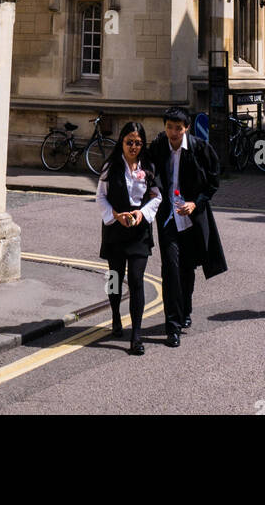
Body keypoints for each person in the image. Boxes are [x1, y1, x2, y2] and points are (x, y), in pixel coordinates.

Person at [148, 105, 227, 347]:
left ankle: (186, 309)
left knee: (188, 267)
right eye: (169, 127)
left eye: (178, 129)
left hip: (191, 216)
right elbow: (147, 170)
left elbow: (213, 182)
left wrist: (195, 203)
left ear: (187, 128)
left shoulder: (200, 149)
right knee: (170, 268)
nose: (173, 133)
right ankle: (172, 326)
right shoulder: (158, 147)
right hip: (167, 217)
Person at [96, 121, 161, 355]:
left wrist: (140, 213)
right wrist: (115, 215)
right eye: (129, 142)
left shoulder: (149, 167)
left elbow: (157, 196)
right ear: (122, 142)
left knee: (136, 280)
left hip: (138, 231)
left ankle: (136, 336)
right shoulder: (110, 166)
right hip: (115, 230)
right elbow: (100, 197)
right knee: (114, 277)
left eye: (138, 143)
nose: (133, 147)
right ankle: (115, 315)